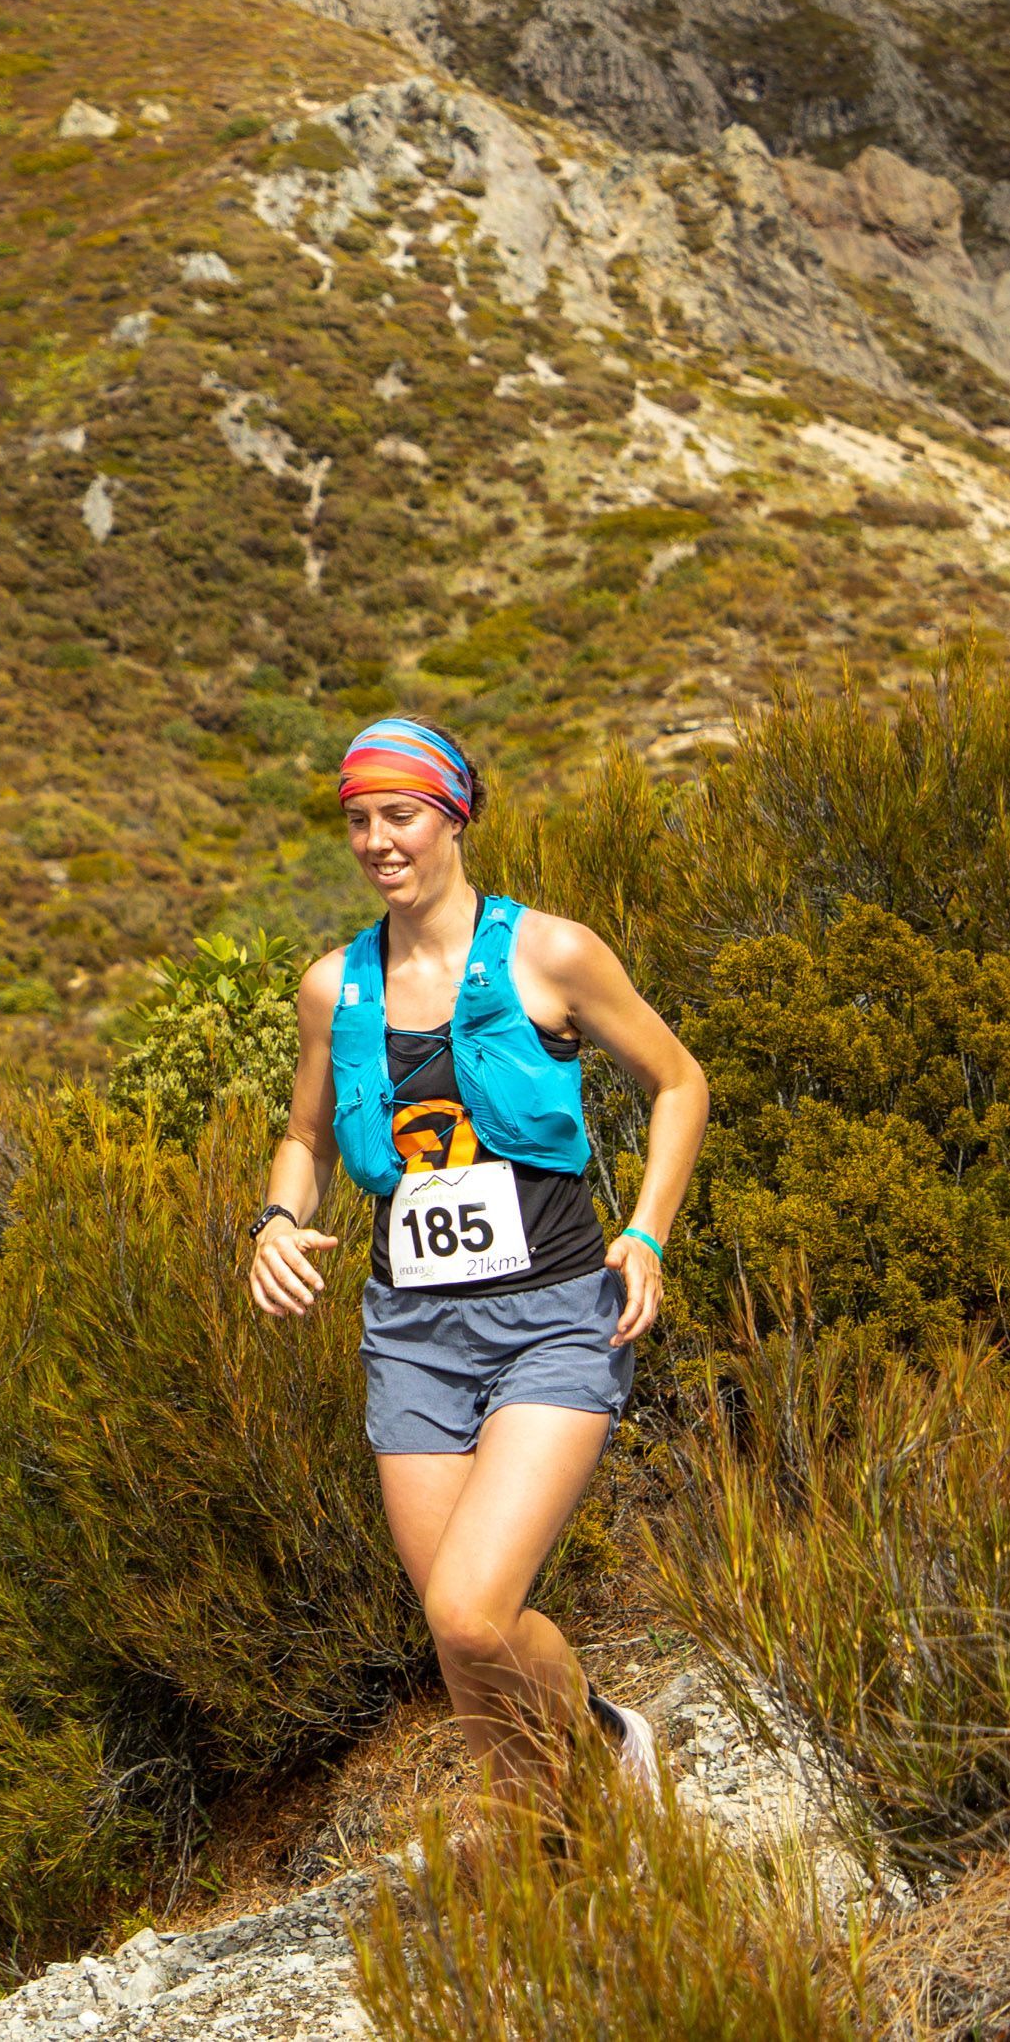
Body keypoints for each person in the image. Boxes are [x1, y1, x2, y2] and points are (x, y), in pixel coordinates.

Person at [247, 716, 709, 1797]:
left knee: (468, 1605)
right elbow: (307, 1137)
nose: (376, 840)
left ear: (453, 814)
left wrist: (645, 1232)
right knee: (463, 1635)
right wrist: (273, 1219)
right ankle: (578, 1785)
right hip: (411, 1335)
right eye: (358, 820)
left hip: (555, 1316)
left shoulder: (551, 952)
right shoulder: (334, 986)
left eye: (399, 814)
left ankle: (580, 1801)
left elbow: (679, 1082)